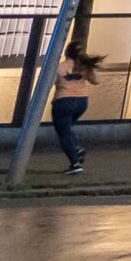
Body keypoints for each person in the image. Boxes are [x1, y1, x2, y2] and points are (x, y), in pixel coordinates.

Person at [50, 43, 101, 175]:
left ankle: (75, 164)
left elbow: (49, 82)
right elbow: (96, 81)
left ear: (66, 52)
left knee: (64, 133)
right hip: (82, 102)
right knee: (67, 127)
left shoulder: (59, 66)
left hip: (63, 101)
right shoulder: (83, 67)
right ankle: (76, 148)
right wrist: (90, 69)